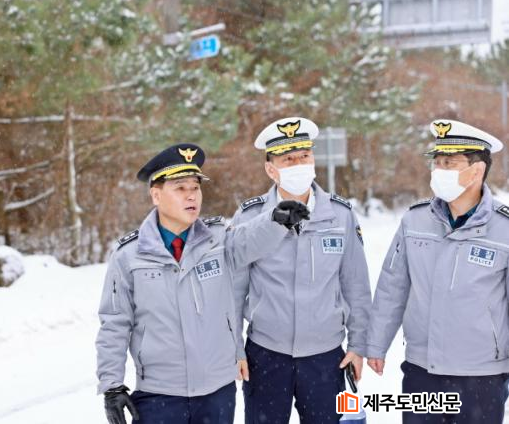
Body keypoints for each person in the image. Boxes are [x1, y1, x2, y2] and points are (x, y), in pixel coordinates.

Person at [95, 143, 309, 424]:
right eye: (180, 188)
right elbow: (114, 324)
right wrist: (112, 385)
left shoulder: (218, 241)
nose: (191, 196)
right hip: (158, 395)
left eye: (195, 188)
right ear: (156, 195)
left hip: (217, 392)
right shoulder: (129, 256)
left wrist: (276, 220)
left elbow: (249, 239)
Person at [367, 119, 509, 423]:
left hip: (482, 375)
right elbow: (393, 287)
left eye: (449, 163)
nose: (439, 170)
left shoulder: (504, 228)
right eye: (437, 162)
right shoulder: (415, 220)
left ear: (477, 170)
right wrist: (376, 344)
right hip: (422, 370)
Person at [233, 117, 372, 424]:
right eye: (288, 159)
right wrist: (234, 348)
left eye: (304, 156)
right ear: (271, 169)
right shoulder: (250, 217)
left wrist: (358, 345)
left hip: (326, 359)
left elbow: (356, 286)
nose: (298, 164)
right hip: (265, 356)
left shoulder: (340, 215)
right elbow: (232, 290)